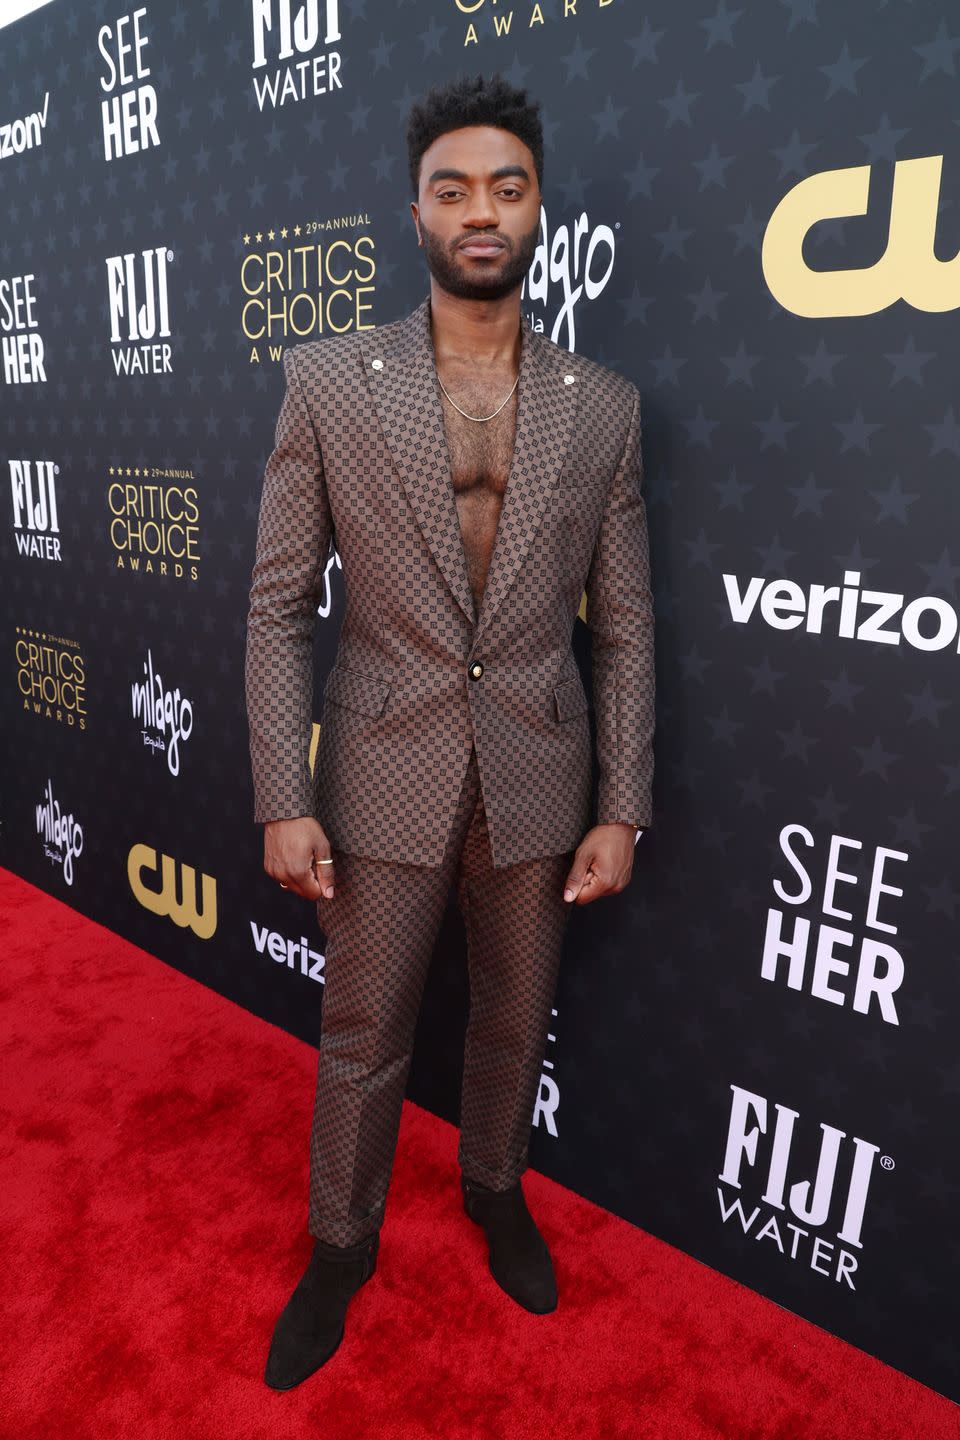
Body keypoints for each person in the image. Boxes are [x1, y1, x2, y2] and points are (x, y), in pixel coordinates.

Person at [244, 72, 654, 1391]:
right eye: (454, 189)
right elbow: (273, 606)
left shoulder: (605, 407)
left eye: (508, 186)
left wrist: (623, 802)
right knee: (364, 1035)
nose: (481, 212)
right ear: (414, 210)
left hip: (539, 766)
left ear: (539, 206)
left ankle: (494, 1190)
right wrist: (279, 792)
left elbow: (630, 626)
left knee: (511, 1021)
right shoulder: (327, 381)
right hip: (378, 768)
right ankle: (340, 1245)